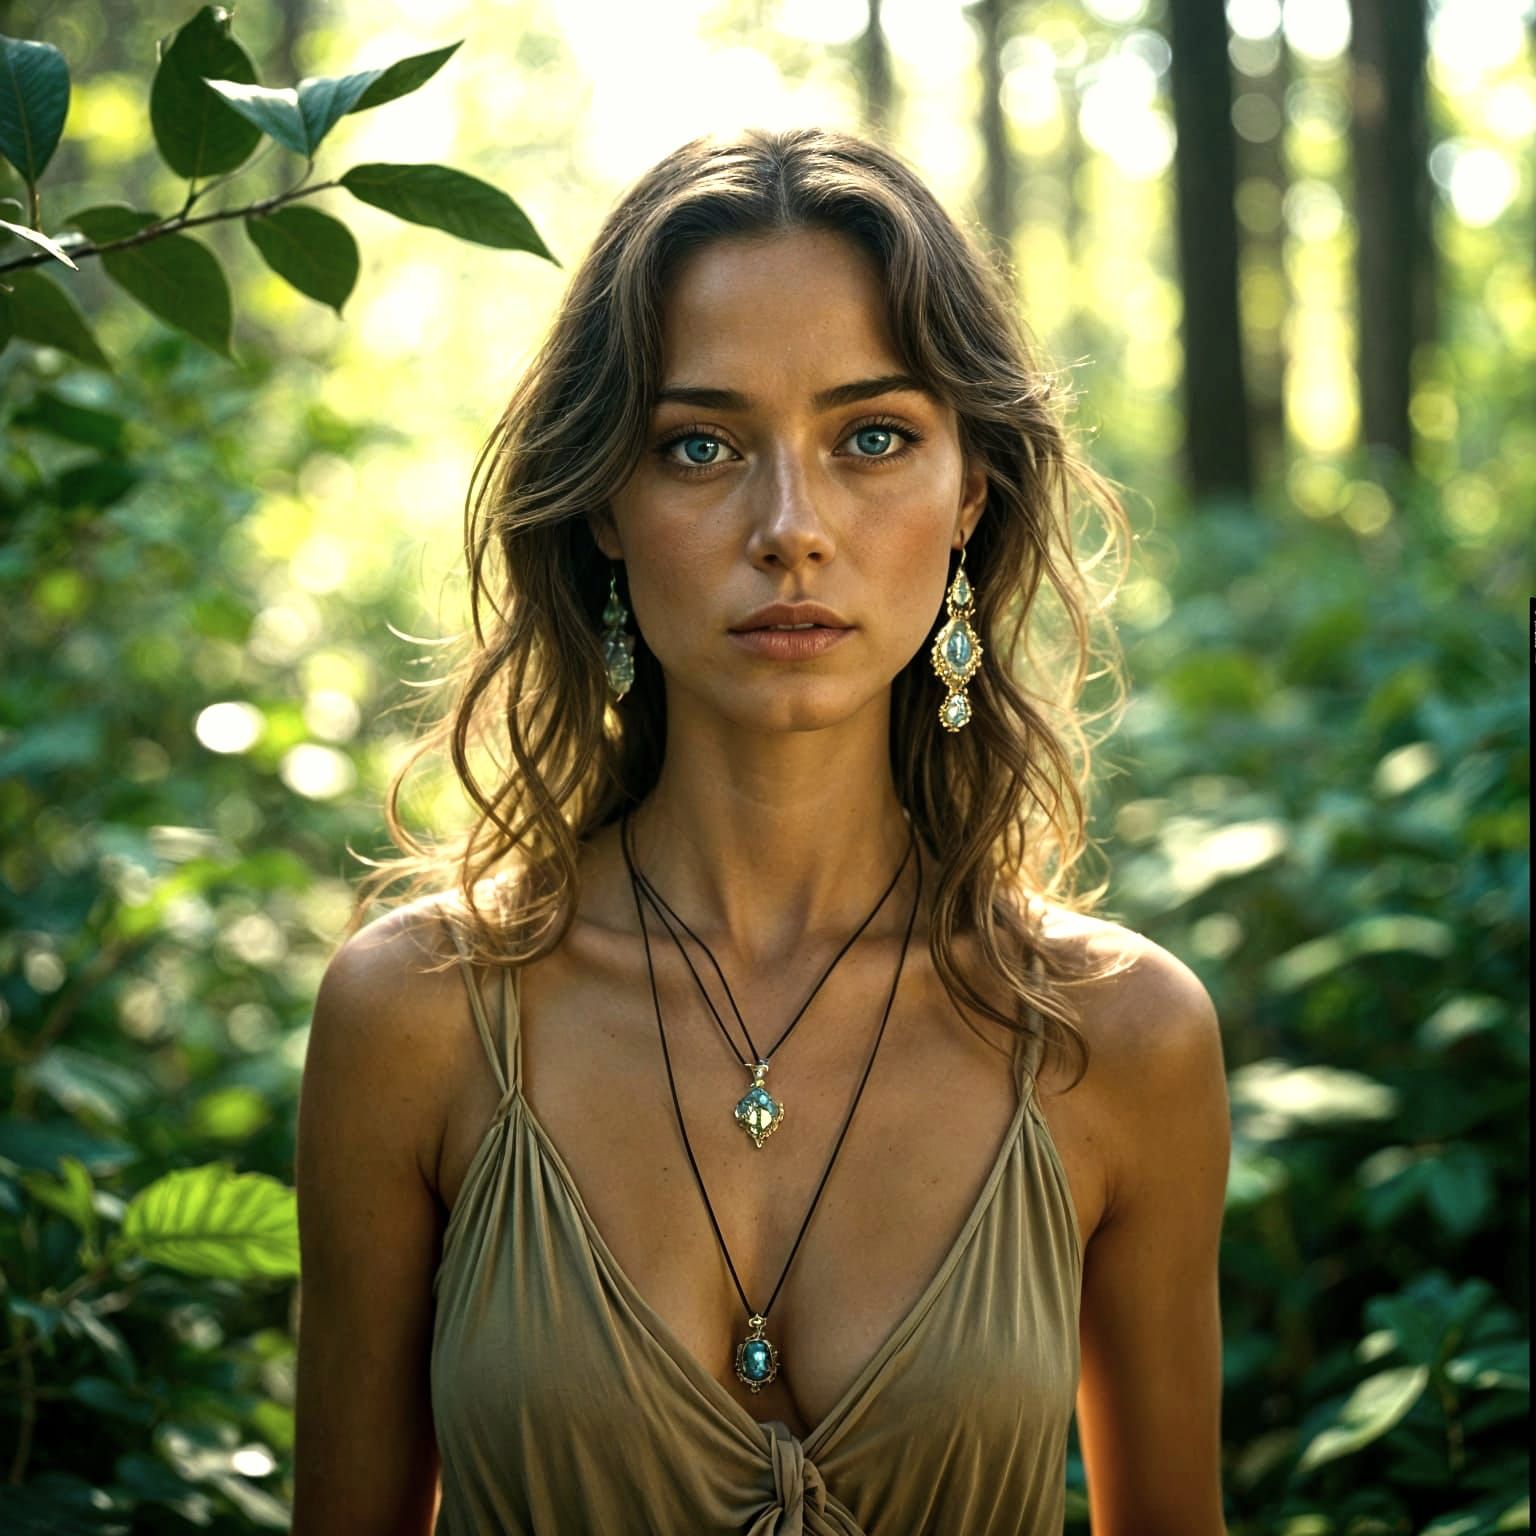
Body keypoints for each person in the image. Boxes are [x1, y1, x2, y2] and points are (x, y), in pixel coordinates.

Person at [291, 126, 1231, 1536]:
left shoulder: (1123, 1038)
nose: (791, 527)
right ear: (605, 506)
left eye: (872, 437)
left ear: (970, 492)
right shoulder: (415, 1019)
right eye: (700, 445)